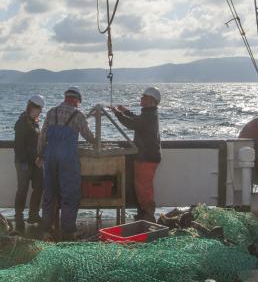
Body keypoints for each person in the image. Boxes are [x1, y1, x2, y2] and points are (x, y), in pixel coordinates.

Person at [38, 86, 96, 240]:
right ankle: (68, 232)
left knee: (49, 193)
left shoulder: (52, 112)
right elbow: (87, 135)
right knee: (69, 194)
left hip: (50, 157)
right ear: (77, 100)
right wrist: (97, 142)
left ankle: (46, 229)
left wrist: (40, 154)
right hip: (67, 158)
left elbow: (42, 135)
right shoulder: (78, 115)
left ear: (65, 97)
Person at [110, 86, 162, 222]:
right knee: (141, 187)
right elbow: (137, 120)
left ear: (151, 100)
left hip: (146, 158)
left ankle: (149, 217)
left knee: (144, 188)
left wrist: (117, 113)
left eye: (144, 97)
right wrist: (125, 111)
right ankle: (143, 214)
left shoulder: (149, 116)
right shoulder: (149, 114)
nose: (141, 98)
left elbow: (132, 123)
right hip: (147, 156)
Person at [13, 95, 45, 233]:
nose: (40, 112)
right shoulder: (21, 123)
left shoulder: (34, 123)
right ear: (31, 107)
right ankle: (19, 217)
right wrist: (27, 161)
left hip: (34, 162)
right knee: (23, 189)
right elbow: (18, 145)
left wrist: (39, 157)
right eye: (39, 109)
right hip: (24, 162)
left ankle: (33, 215)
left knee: (39, 186)